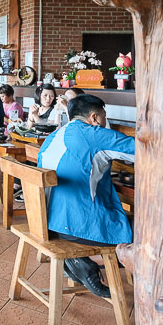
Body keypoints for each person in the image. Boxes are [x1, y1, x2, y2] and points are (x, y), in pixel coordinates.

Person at [37, 94, 135, 298]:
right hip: (78, 227)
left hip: (48, 222)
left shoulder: (54, 136)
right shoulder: (93, 134)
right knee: (151, 237)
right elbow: (144, 150)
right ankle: (88, 260)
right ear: (94, 118)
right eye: (103, 117)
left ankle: (80, 261)